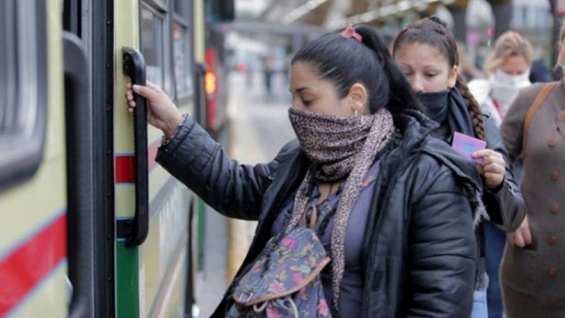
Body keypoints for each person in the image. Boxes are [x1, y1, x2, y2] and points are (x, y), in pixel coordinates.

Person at [126, 24, 483, 317]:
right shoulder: (301, 161)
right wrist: (173, 123)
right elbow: (235, 189)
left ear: (356, 98)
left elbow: (441, 303)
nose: (294, 110)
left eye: (307, 99)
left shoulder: (427, 175)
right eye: (292, 97)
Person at [391, 16, 526, 318]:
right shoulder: (376, 123)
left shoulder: (479, 129)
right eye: (405, 73)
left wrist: (497, 184)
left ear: (452, 75)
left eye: (430, 74)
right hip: (386, 279)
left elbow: (513, 216)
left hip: (462, 286)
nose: (417, 86)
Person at [500, 10, 565, 318]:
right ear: (559, 49)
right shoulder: (531, 100)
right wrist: (510, 213)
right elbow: (496, 160)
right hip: (538, 271)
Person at [465, 30, 535, 318]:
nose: (514, 78)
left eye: (520, 72)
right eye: (508, 72)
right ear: (495, 66)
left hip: (530, 206)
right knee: (492, 281)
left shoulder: (539, 100)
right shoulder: (478, 99)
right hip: (491, 204)